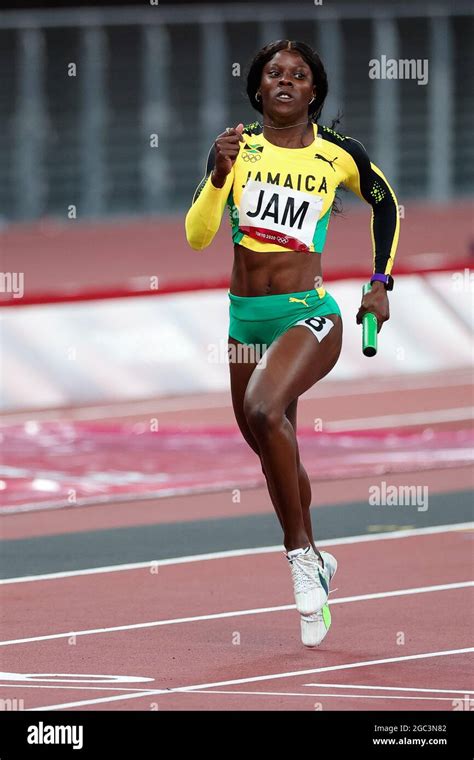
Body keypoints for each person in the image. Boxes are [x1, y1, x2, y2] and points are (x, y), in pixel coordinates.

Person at [185, 40, 399, 647]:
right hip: (245, 321)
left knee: (262, 407)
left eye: (298, 75)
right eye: (273, 74)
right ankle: (321, 559)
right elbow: (199, 236)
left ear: (313, 92)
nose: (285, 81)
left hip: (311, 315)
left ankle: (299, 554)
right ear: (257, 90)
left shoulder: (339, 154)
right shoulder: (235, 148)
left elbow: (387, 206)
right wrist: (217, 175)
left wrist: (380, 282)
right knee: (271, 442)